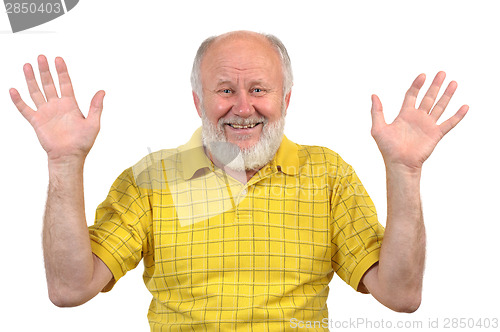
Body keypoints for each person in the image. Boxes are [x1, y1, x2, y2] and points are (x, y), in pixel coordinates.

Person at [10, 30, 468, 330]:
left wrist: (404, 171)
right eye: (225, 90)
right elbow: (70, 290)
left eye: (259, 90)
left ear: (285, 98)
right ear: (198, 101)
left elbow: (402, 295)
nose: (243, 108)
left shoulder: (329, 175)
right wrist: (64, 163)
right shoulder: (152, 180)